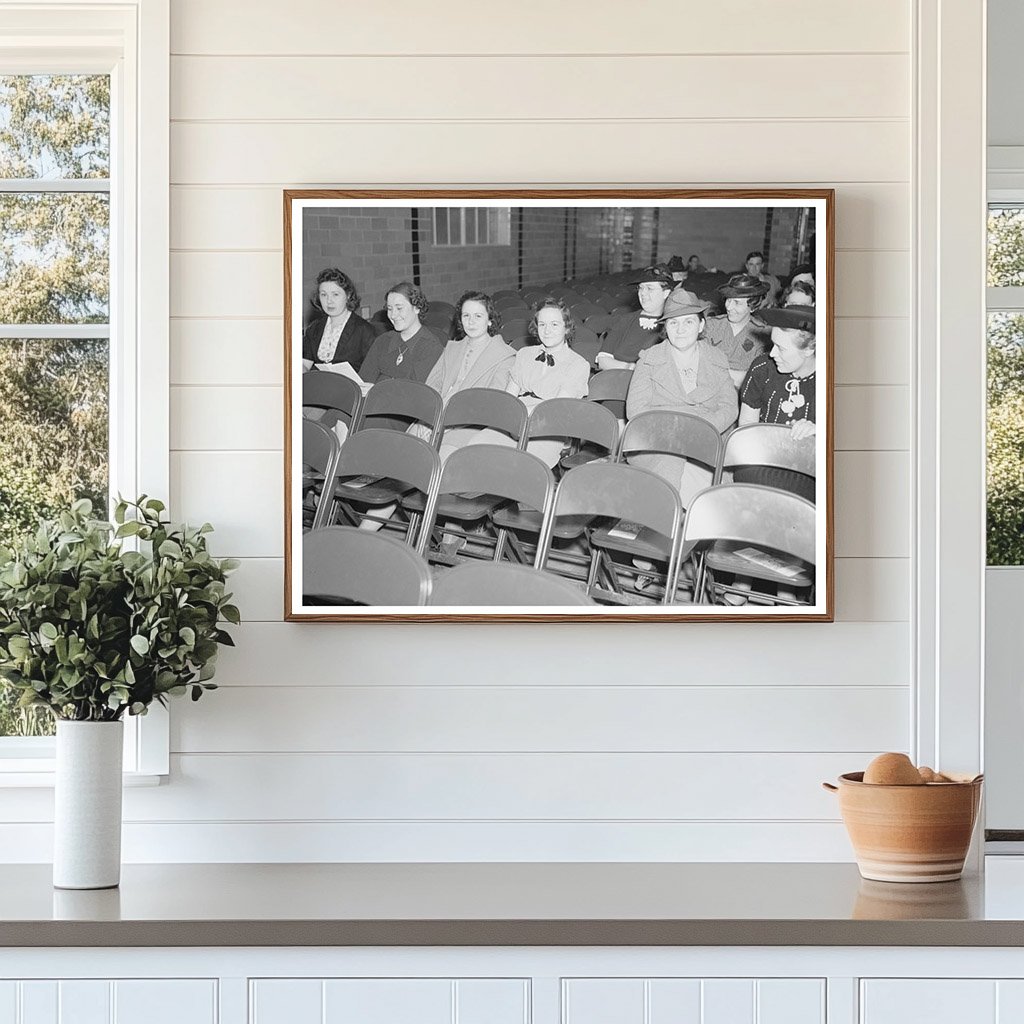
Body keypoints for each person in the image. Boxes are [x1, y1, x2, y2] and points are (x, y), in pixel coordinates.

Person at [625, 287, 738, 503]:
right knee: (674, 469)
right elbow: (635, 411)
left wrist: (697, 431)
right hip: (658, 443)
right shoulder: (648, 360)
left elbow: (729, 407)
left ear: (701, 325)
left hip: (706, 439)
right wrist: (676, 433)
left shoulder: (717, 358)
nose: (680, 329)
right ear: (665, 328)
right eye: (673, 322)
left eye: (688, 322)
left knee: (709, 489)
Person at [737, 304, 817, 501]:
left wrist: (819, 431)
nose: (772, 353)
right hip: (761, 464)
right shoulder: (762, 368)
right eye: (773, 344)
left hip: (810, 473)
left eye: (781, 348)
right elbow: (746, 428)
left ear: (809, 349)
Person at [424, 291, 516, 460]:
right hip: (437, 416)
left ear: (490, 320)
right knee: (406, 448)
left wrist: (448, 422)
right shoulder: (451, 348)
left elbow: (492, 405)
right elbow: (432, 386)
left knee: (441, 458)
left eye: (478, 316)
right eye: (466, 315)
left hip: (473, 423)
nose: (471, 321)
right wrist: (429, 418)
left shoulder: (505, 356)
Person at [503, 297, 590, 466]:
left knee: (520, 465)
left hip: (548, 427)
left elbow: (555, 407)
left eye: (554, 324)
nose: (547, 330)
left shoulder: (578, 364)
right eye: (542, 324)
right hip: (514, 421)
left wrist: (519, 414)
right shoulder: (524, 354)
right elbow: (509, 397)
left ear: (567, 328)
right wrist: (510, 418)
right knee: (479, 446)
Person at [359, 281, 444, 386]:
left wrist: (379, 386)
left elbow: (416, 393)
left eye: (399, 308)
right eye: (390, 309)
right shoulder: (382, 341)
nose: (393, 315)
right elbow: (364, 382)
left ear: (417, 308)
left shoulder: (432, 348)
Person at [595, 265, 674, 371]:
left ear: (666, 293)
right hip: (615, 380)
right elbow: (603, 361)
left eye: (649, 288)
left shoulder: (672, 324)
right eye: (641, 288)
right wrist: (632, 369)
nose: (643, 293)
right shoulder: (625, 320)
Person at [302, 268, 376, 373]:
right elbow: (305, 363)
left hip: (352, 387)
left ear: (348, 295)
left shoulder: (364, 330)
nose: (329, 301)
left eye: (335, 294)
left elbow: (373, 370)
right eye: (323, 294)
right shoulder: (314, 329)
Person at [703, 273, 770, 385]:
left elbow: (756, 379)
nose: (729, 307)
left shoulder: (763, 334)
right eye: (728, 300)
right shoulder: (712, 325)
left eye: (737, 303)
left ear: (752, 306)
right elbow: (699, 365)